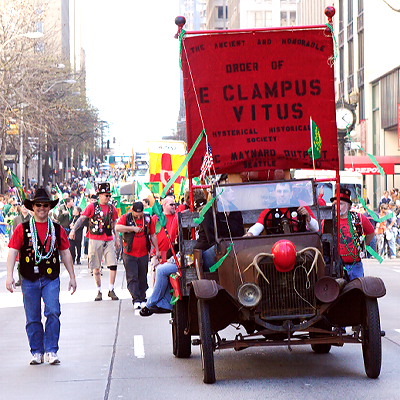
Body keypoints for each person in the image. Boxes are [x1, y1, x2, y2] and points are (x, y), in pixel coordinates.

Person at [5, 187, 76, 365]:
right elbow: (13, 252)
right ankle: (37, 351)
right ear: (32, 207)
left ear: (49, 207)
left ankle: (51, 350)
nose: (42, 208)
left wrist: (72, 277)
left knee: (53, 312)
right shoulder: (23, 229)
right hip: (29, 278)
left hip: (50, 278)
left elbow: (66, 253)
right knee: (32, 317)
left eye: (45, 205)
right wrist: (9, 275)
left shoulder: (57, 229)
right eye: (38, 205)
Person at [69, 182, 119, 301]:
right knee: (96, 267)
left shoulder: (112, 208)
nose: (108, 198)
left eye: (109, 195)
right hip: (95, 239)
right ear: (100, 195)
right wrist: (73, 230)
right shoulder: (92, 207)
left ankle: (111, 289)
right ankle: (99, 290)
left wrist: (117, 238)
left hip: (108, 239)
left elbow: (114, 223)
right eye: (106, 195)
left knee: (113, 264)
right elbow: (82, 218)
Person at [116, 201, 160, 309]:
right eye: (136, 214)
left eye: (140, 214)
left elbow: (152, 234)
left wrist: (157, 250)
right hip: (129, 252)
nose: (138, 216)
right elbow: (117, 228)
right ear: (132, 211)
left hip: (143, 252)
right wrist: (132, 229)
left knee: (142, 276)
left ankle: (143, 297)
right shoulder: (127, 217)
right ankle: (136, 299)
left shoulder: (147, 219)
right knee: (132, 277)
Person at [244, 181, 319, 237]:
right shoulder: (269, 210)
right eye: (279, 191)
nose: (282, 195)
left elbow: (316, 228)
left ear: (291, 193)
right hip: (276, 245)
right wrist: (250, 233)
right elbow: (259, 225)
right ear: (275, 193)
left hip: (301, 242)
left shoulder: (301, 205)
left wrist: (308, 217)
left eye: (285, 191)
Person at [331, 187, 375, 281]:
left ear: (349, 206)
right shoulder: (329, 221)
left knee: (357, 292)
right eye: (335, 204)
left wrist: (363, 246)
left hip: (356, 265)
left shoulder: (359, 218)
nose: (337, 206)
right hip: (336, 266)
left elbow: (371, 232)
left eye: (340, 204)